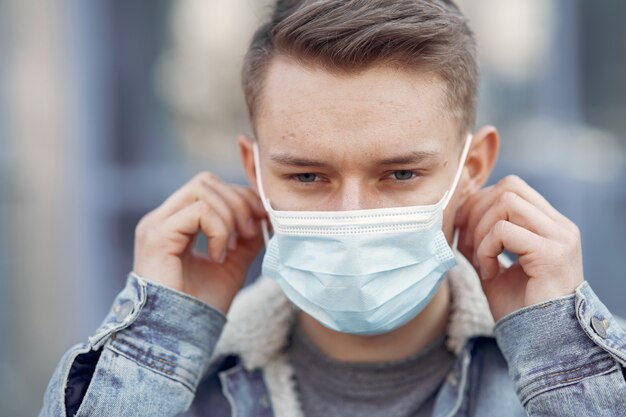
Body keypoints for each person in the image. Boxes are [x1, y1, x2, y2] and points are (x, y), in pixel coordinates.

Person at [40, 1, 626, 416]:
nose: (351, 214)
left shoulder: (564, 379)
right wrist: (157, 342)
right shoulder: (163, 386)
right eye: (307, 175)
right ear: (255, 172)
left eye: (400, 173)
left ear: (472, 168)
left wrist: (560, 353)